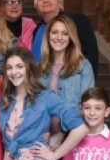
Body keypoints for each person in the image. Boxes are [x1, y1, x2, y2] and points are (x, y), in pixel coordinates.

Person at [39, 14, 95, 148]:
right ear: (48, 35)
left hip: (73, 138)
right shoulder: (38, 69)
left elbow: (86, 105)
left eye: (65, 33)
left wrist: (61, 134)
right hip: (43, 139)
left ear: (71, 38)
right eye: (55, 32)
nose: (59, 38)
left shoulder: (83, 66)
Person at [24, 0, 99, 79]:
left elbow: (91, 52)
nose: (45, 0)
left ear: (60, 4)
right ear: (37, 8)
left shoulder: (76, 20)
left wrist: (88, 83)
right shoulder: (36, 30)